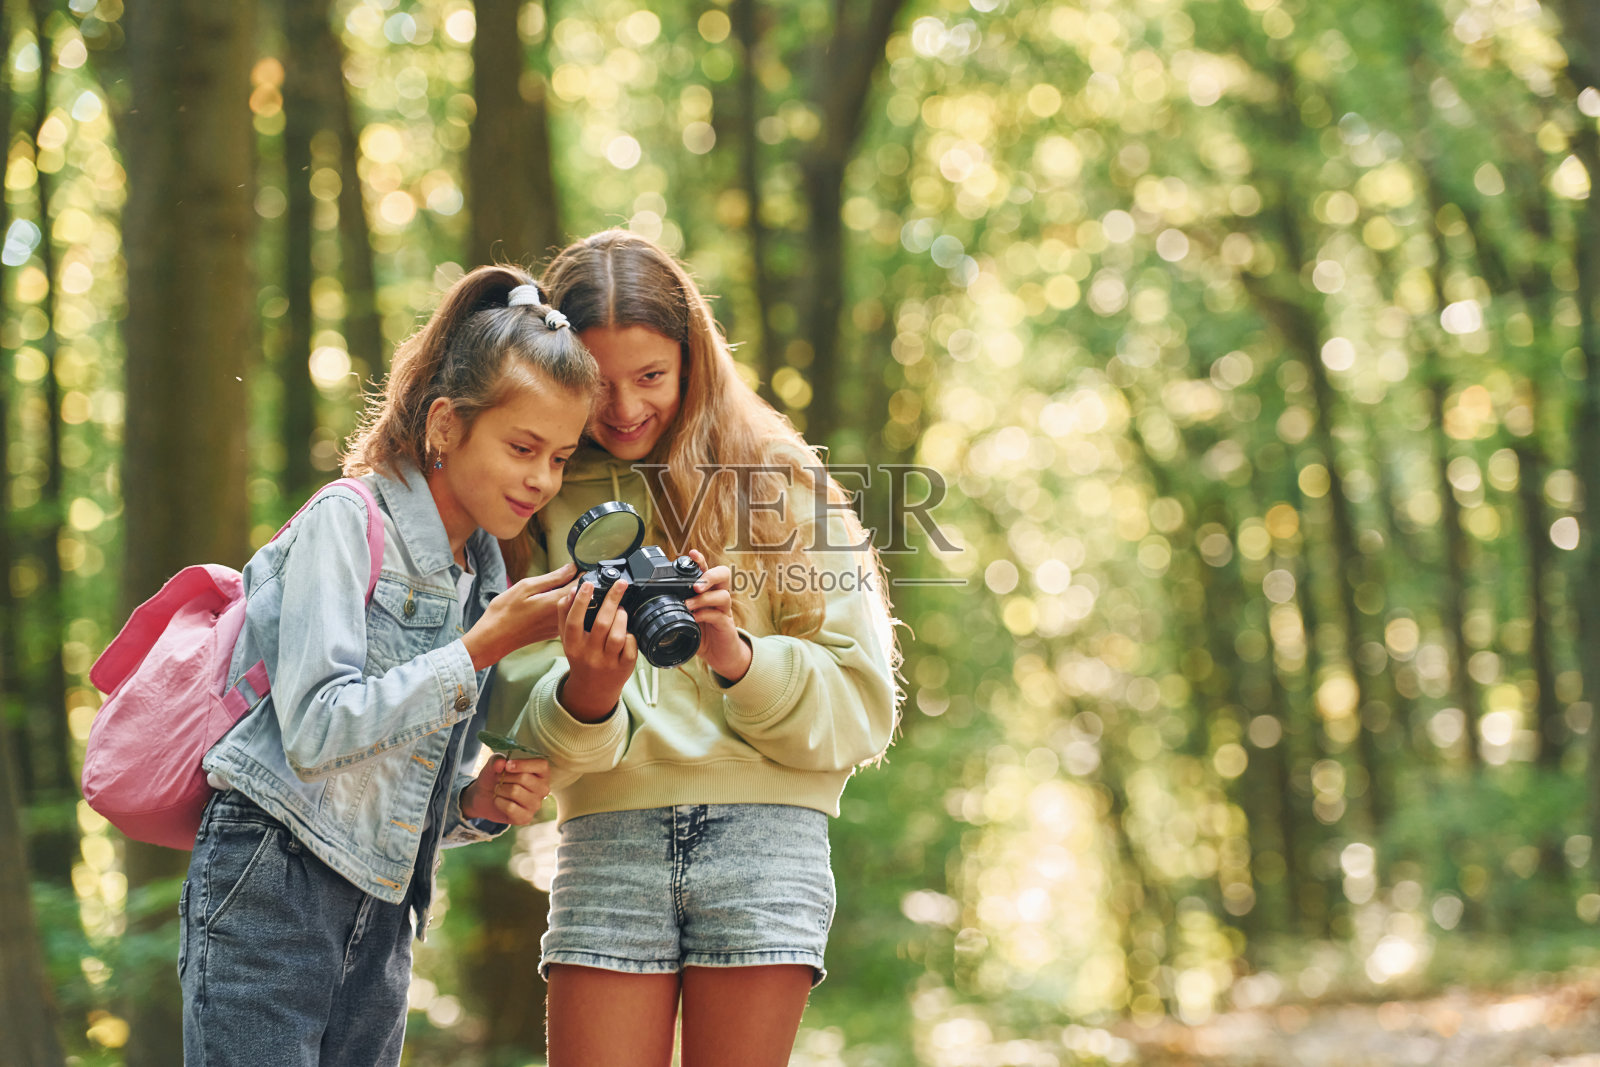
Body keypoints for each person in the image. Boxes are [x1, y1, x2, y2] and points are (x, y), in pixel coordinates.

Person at [489, 230, 901, 1067]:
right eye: (599, 383)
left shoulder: (779, 480)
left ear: (693, 360)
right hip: (608, 836)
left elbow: (863, 704)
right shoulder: (540, 488)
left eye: (651, 377)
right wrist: (589, 694)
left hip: (768, 841)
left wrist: (736, 655)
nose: (625, 408)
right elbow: (504, 711)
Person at [183, 265, 610, 1067]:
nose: (541, 480)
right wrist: (482, 644)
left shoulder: (483, 572)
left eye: (559, 456)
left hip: (384, 913)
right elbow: (316, 730)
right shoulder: (349, 522)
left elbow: (384, 778)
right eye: (522, 448)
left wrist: (472, 799)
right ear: (446, 426)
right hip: (271, 888)